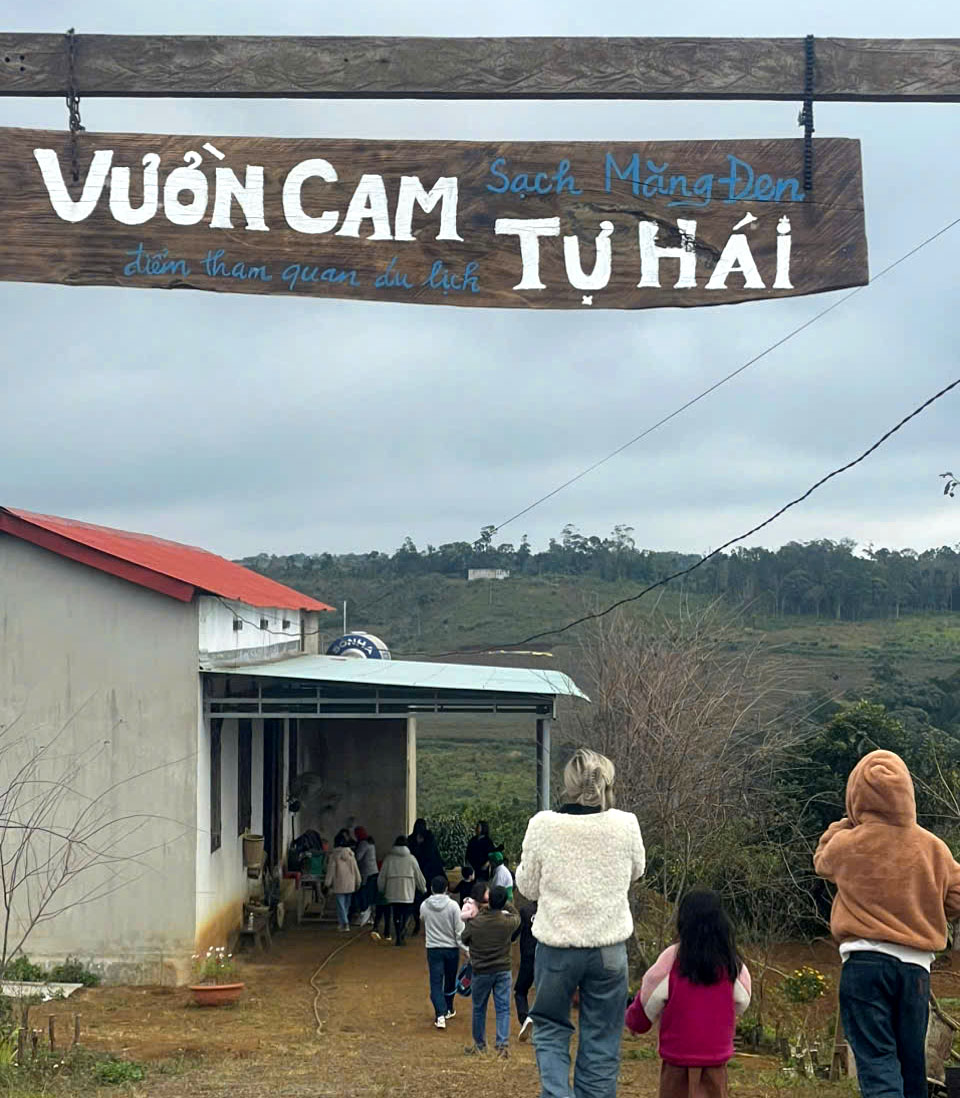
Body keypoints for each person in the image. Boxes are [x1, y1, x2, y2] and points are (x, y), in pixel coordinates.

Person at [814, 749, 960, 1098]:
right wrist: (927, 906)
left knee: (878, 1063)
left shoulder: (848, 843)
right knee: (912, 1068)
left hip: (864, 963)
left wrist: (847, 822)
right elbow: (957, 897)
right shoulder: (933, 848)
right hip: (916, 970)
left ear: (855, 795)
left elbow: (821, 860)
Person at [516, 747, 646, 1098]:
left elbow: (527, 887)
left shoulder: (543, 825)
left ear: (568, 783)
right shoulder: (626, 824)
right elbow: (636, 871)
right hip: (609, 948)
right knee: (602, 1037)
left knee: (551, 1027)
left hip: (557, 947)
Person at [626, 890, 751, 1098]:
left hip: (677, 1058)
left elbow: (648, 997)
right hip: (715, 1058)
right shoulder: (731, 962)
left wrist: (635, 1022)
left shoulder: (672, 958)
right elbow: (743, 1000)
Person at [460, 884, 519, 1059]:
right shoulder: (507, 922)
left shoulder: (476, 922)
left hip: (481, 970)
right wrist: (504, 903)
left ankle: (480, 1045)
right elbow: (516, 915)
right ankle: (502, 1045)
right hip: (502, 969)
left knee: (479, 1008)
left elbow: (464, 938)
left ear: (488, 900)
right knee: (503, 1008)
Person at [421, 875, 466, 1030]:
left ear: (431, 888)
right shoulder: (453, 906)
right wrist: (466, 949)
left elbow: (423, 920)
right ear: (446, 889)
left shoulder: (424, 905)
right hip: (451, 949)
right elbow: (459, 931)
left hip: (433, 948)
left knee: (435, 981)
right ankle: (448, 1008)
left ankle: (440, 1014)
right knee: (450, 980)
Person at [378, 835, 427, 947]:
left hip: (392, 891)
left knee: (396, 914)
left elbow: (382, 876)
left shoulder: (388, 859)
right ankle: (402, 930)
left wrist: (381, 889)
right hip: (407, 892)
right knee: (405, 913)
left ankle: (398, 934)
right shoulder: (411, 859)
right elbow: (418, 875)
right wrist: (422, 887)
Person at [409, 819, 446, 936]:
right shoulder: (414, 839)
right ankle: (420, 924)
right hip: (422, 873)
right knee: (420, 901)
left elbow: (433, 855)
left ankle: (424, 924)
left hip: (426, 873)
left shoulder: (427, 839)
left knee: (423, 900)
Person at [324, 833, 362, 932]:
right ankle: (343, 923)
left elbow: (331, 870)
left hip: (339, 883)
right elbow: (356, 869)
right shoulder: (351, 855)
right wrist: (358, 881)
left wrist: (327, 883)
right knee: (346, 905)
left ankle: (344, 923)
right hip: (350, 883)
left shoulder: (334, 856)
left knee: (340, 905)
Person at [512, 899, 538, 1040]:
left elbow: (514, 933)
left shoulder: (525, 911)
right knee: (544, 993)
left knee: (521, 991)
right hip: (547, 958)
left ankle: (525, 1018)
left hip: (528, 956)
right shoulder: (551, 911)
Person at [353, 827, 378, 928]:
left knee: (363, 894)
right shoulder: (370, 842)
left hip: (366, 873)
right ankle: (371, 917)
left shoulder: (363, 844)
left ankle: (364, 915)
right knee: (371, 895)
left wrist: (353, 851)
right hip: (374, 871)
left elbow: (358, 857)